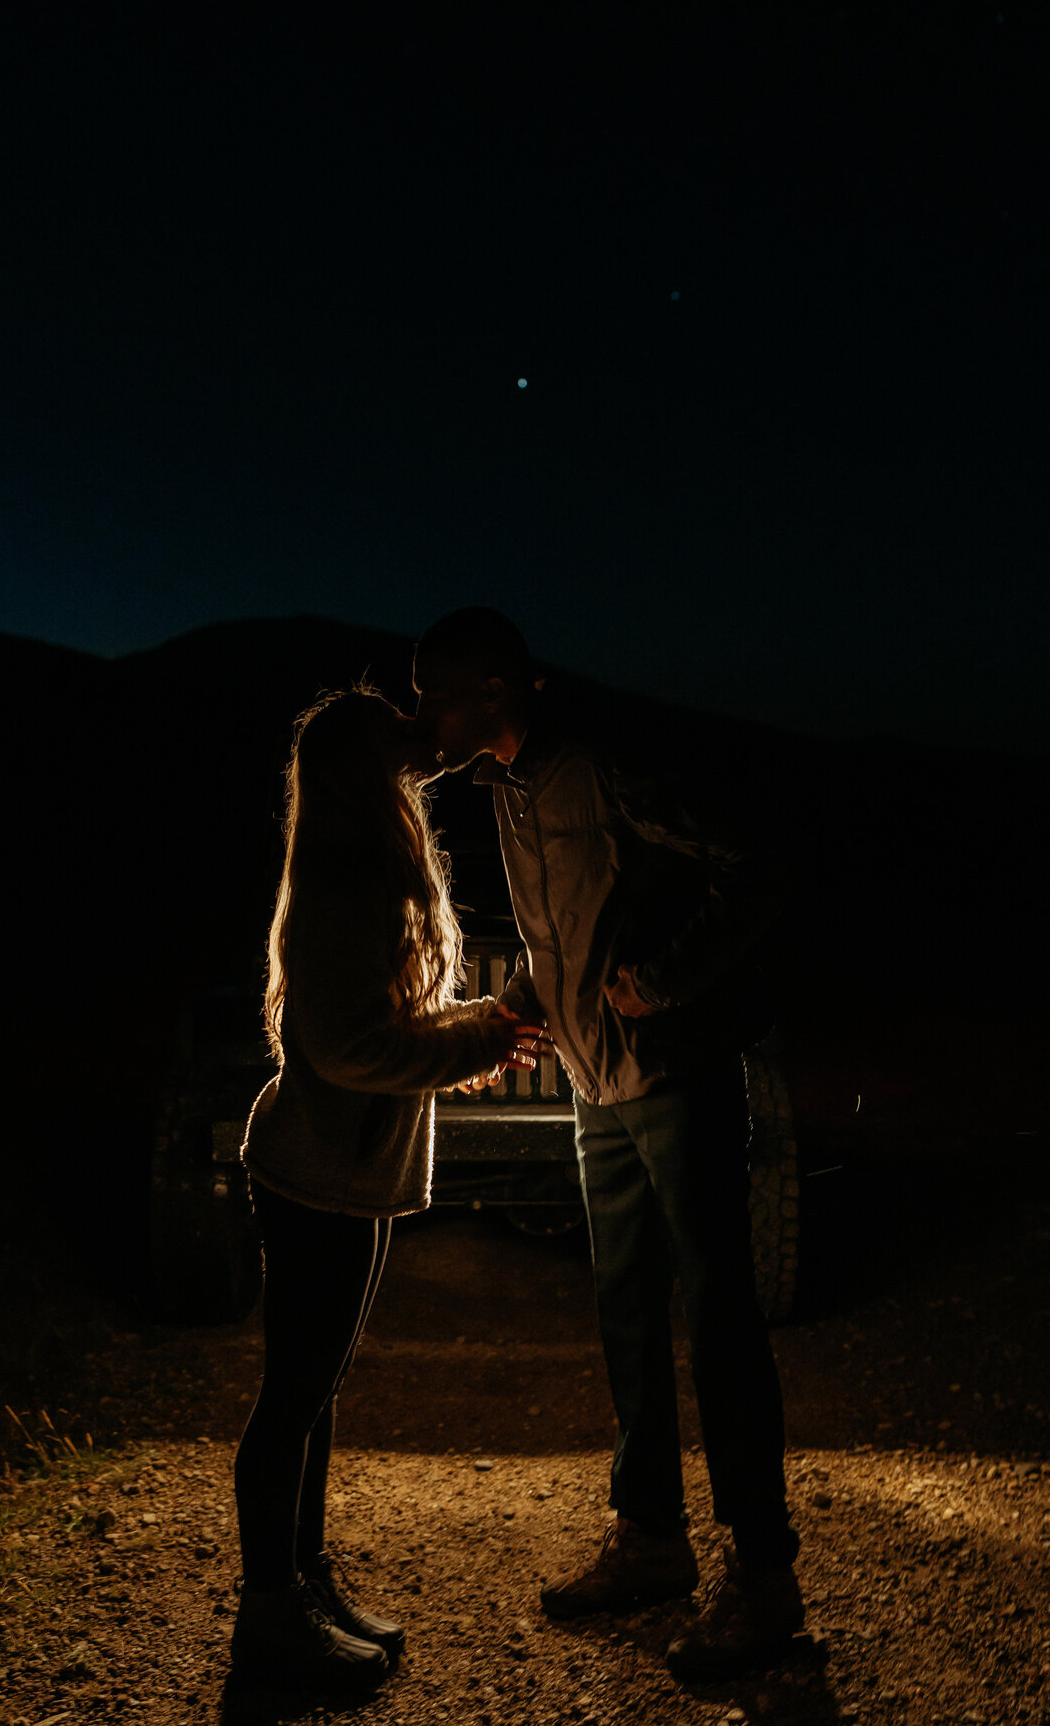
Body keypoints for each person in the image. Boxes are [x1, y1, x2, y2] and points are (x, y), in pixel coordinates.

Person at [412, 609, 806, 1680]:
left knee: (718, 1312)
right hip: (595, 1083)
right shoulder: (504, 790)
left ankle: (764, 1576)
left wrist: (666, 982)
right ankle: (652, 1542)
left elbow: (754, 865)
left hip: (669, 1073)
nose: (425, 716)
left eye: (436, 693)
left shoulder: (602, 765)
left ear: (494, 688)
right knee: (625, 1309)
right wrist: (522, 1006)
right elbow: (562, 928)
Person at [231, 685, 545, 1695]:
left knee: (314, 1392)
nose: (417, 737)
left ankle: (304, 1583)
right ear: (358, 767)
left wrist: (476, 1026)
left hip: (345, 1172)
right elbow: (349, 1045)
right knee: (292, 1398)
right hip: (316, 1171)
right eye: (393, 731)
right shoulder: (343, 874)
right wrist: (476, 1040)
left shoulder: (370, 858)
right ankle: (269, 1621)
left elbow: (389, 1015)